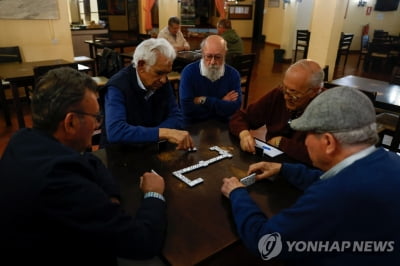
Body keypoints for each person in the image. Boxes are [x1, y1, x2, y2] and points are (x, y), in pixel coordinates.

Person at [0, 67, 167, 265]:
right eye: (96, 118)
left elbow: (92, 161)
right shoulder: (60, 182)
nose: (98, 126)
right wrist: (154, 194)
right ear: (70, 123)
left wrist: (110, 199)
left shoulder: (22, 139)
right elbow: (143, 242)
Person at [221, 87, 400, 265]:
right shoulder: (391, 160)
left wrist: (238, 194)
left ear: (328, 142)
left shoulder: (332, 196)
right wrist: (284, 169)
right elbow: (337, 180)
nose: (305, 141)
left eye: (308, 134)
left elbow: (265, 242)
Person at [102, 38, 194, 150]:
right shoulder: (117, 87)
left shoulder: (160, 82)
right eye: (159, 73)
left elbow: (176, 116)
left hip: (150, 149)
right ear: (141, 66)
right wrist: (164, 133)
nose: (164, 80)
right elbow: (116, 131)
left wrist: (154, 135)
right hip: (120, 154)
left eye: (167, 73)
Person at [229, 59, 324, 164]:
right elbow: (240, 117)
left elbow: (320, 157)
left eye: (294, 93)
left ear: (314, 91)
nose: (286, 96)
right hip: (271, 161)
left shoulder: (327, 108)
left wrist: (282, 142)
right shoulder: (279, 94)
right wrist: (244, 134)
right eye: (285, 88)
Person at [179, 35, 242, 124]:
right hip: (194, 125)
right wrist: (221, 102)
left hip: (222, 125)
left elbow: (235, 108)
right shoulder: (188, 72)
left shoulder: (233, 74)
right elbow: (187, 109)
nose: (212, 62)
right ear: (202, 53)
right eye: (209, 56)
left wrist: (203, 100)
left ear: (225, 54)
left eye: (218, 57)